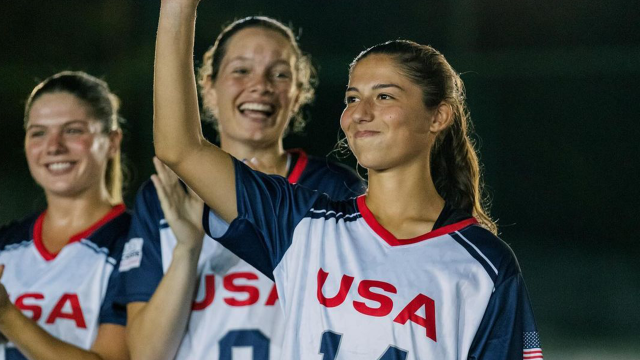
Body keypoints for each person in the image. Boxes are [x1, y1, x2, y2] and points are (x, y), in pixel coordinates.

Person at [152, 1, 543, 358]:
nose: (360, 113)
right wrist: (177, 9)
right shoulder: (302, 223)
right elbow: (181, 148)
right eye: (352, 98)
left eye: (384, 96)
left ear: (438, 117)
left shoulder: (484, 266)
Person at [119, 14, 364, 360]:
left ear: (297, 94)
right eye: (241, 70)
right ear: (207, 86)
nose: (260, 85)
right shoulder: (165, 193)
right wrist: (187, 251)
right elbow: (146, 354)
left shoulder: (333, 189)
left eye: (279, 74)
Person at [0, 71, 130, 360]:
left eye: (72, 130)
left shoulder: (135, 243)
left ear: (112, 142)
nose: (54, 146)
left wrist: (7, 316)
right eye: (39, 133)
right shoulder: (6, 246)